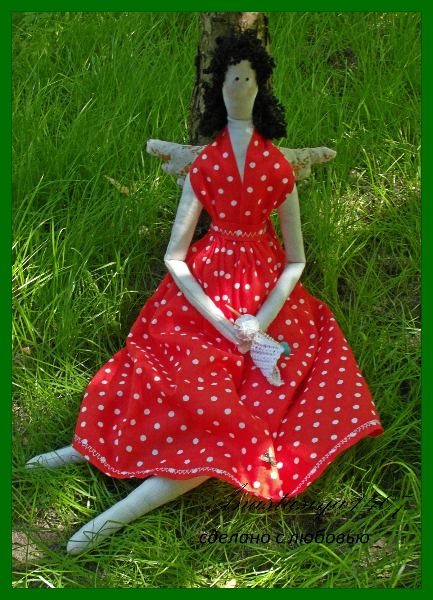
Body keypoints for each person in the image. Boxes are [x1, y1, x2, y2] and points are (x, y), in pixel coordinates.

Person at [26, 31, 383, 555]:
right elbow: (175, 256)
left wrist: (260, 319)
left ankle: (116, 515)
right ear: (218, 89)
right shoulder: (206, 166)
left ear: (260, 87)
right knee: (154, 367)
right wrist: (216, 317)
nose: (238, 87)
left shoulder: (277, 168)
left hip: (266, 298)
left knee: (234, 412)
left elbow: (296, 259)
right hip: (203, 287)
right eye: (230, 79)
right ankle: (87, 447)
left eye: (247, 79)